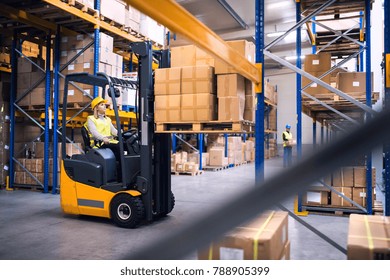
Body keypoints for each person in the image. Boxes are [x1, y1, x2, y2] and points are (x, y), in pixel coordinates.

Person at [84, 96, 120, 161]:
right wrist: (103, 138)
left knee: (125, 144)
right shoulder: (91, 119)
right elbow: (94, 132)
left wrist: (121, 133)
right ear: (96, 108)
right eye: (102, 105)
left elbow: (113, 131)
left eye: (104, 104)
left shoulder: (107, 119)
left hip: (109, 142)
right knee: (119, 147)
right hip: (99, 144)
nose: (105, 106)